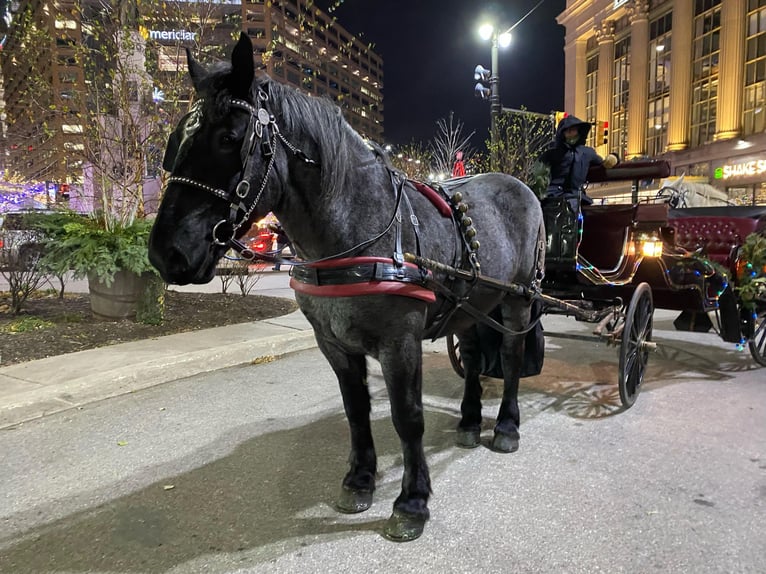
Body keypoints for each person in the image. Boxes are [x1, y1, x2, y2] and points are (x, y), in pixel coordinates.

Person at [538, 115, 618, 210]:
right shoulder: (551, 154)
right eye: (567, 131)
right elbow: (538, 173)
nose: (570, 133)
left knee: (575, 207)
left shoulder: (587, 153)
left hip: (576, 197)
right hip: (552, 196)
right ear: (562, 134)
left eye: (573, 130)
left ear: (579, 131)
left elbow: (604, 162)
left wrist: (615, 157)